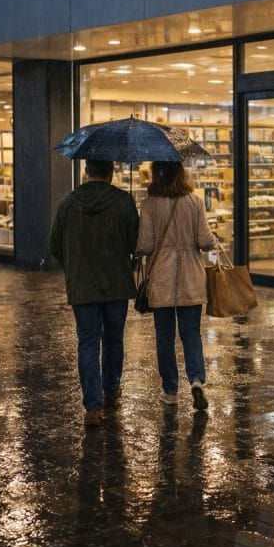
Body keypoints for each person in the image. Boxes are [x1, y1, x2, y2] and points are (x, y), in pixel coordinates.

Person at [49, 159, 139, 427]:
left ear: (87, 172)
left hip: (83, 286)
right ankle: (111, 392)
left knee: (88, 342)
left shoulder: (68, 203)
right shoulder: (123, 201)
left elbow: (55, 245)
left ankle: (92, 407)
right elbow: (136, 242)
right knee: (113, 340)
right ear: (111, 173)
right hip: (116, 284)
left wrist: (73, 268)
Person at [137, 161, 217, 411]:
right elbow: (205, 241)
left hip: (161, 276)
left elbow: (146, 245)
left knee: (164, 336)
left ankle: (170, 390)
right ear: (180, 172)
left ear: (156, 172)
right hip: (190, 278)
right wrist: (212, 237)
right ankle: (196, 381)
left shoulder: (149, 203)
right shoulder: (194, 201)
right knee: (191, 334)